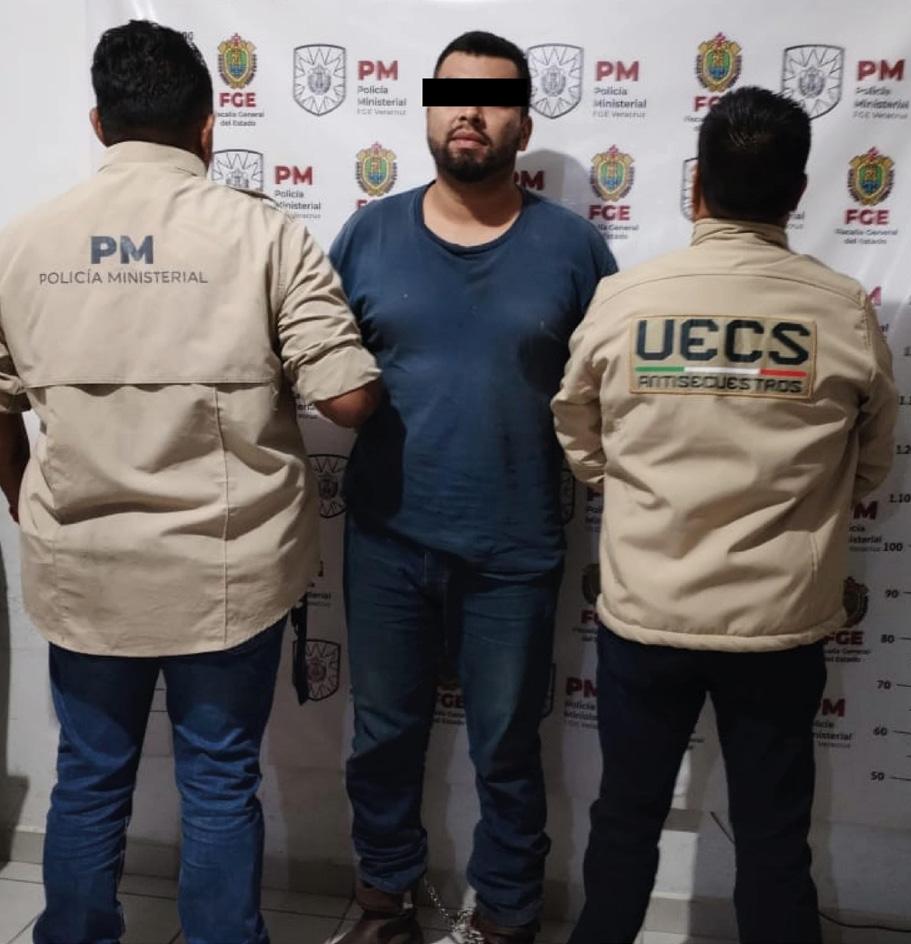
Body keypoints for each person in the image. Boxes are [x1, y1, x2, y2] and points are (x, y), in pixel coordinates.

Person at [0, 21, 380, 944]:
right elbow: (350, 401)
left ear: (99, 123)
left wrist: (24, 498)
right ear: (209, 127)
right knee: (217, 782)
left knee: (89, 780)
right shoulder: (263, 233)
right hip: (225, 572)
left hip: (85, 567)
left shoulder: (22, 243)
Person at [553, 86, 896, 944]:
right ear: (798, 193)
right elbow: (872, 460)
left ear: (696, 185)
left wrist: (629, 490)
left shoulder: (627, 299)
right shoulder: (842, 308)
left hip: (649, 614)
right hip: (779, 623)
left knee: (626, 819)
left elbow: (577, 430)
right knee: (775, 836)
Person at [329, 30, 617, 944]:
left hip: (515, 548)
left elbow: (610, 395)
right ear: (427, 113)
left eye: (493, 99)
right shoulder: (366, 236)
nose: (469, 113)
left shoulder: (574, 249)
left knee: (506, 747)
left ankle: (507, 917)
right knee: (382, 738)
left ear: (522, 125)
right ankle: (384, 902)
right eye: (453, 95)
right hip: (385, 537)